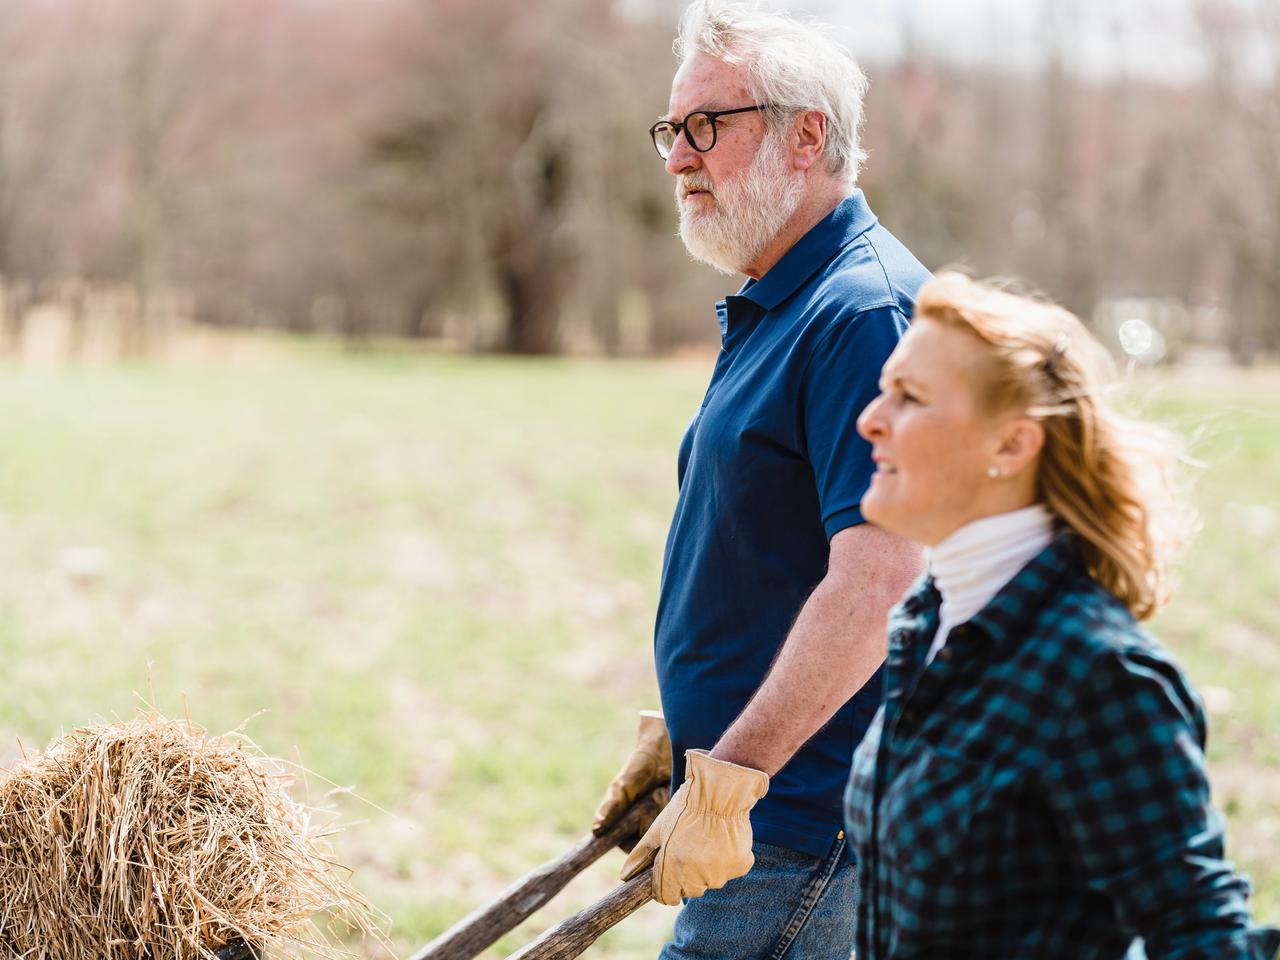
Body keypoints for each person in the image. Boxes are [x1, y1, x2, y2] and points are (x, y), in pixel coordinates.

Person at [591, 2, 928, 957]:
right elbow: (766, 552)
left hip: (803, 828)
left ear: (806, 136)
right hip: (763, 808)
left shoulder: (863, 316)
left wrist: (730, 775)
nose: (676, 158)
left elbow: (880, 583)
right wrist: (688, 735)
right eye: (671, 129)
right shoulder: (786, 299)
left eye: (706, 126)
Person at [843, 272, 1280, 959]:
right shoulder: (926, 625)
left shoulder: (1097, 675)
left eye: (911, 397)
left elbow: (1205, 938)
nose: (870, 418)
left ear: (1012, 446)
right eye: (884, 389)